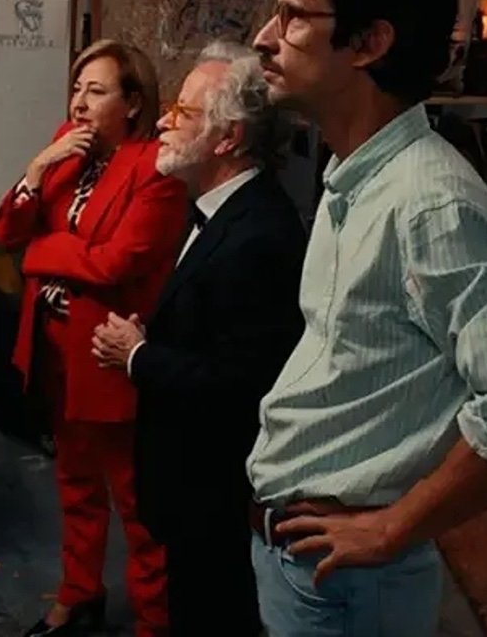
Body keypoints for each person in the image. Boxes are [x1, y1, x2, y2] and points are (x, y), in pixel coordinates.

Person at [246, 0, 487, 634]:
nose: (264, 37)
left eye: (294, 17)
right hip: (310, 560)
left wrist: (391, 528)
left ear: (370, 43)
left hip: (348, 578)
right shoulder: (354, 176)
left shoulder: (430, 204)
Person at [91, 40, 307, 636]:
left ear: (228, 137)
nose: (164, 122)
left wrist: (137, 356)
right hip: (192, 488)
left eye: (183, 112)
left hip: (218, 494)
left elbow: (243, 384)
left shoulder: (259, 236)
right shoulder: (216, 209)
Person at [0, 38, 187, 637]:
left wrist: (40, 254)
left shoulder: (155, 167)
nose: (78, 102)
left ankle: (154, 621)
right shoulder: (67, 147)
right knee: (75, 484)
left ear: (133, 103)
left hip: (108, 355)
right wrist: (37, 169)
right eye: (76, 88)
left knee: (137, 502)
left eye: (95, 91)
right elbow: (6, 233)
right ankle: (79, 594)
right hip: (54, 345)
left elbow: (114, 264)